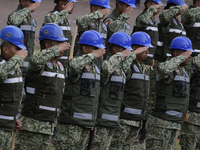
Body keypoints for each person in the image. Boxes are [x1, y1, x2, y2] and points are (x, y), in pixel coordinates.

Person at [14, 23, 70, 150]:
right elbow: (35, 59)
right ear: (47, 45)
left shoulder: (60, 67)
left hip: (48, 127)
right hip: (32, 126)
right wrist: (57, 49)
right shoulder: (39, 63)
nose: (62, 47)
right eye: (58, 44)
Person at [144, 0, 189, 138]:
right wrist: (177, 8)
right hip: (162, 62)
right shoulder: (167, 19)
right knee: (152, 96)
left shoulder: (179, 23)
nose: (183, 8)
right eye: (180, 6)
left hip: (174, 64)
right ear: (173, 7)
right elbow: (163, 16)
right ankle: (144, 128)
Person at [55, 30, 105, 150]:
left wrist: (93, 121)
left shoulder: (94, 68)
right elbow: (74, 65)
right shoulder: (76, 63)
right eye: (95, 49)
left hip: (86, 124)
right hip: (71, 124)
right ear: (85, 48)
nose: (99, 52)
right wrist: (93, 55)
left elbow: (94, 98)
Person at [145, 36, 193, 150]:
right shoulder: (166, 67)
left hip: (174, 124)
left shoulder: (183, 72)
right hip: (161, 123)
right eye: (187, 53)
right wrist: (182, 57)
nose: (189, 57)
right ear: (176, 53)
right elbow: (164, 69)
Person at [0, 25, 27, 150]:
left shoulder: (14, 68)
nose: (21, 53)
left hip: (8, 127)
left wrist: (14, 118)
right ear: (5, 49)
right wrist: (17, 59)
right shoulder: (3, 66)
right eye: (17, 49)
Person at [7, 0, 41, 75]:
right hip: (16, 64)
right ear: (22, 2)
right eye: (32, 2)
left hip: (28, 65)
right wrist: (28, 8)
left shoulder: (32, 21)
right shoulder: (15, 15)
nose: (35, 4)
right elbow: (14, 21)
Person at [74, 0, 111, 68]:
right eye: (103, 8)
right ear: (93, 8)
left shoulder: (103, 26)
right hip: (83, 62)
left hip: (97, 64)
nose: (106, 11)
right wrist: (99, 13)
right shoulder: (87, 22)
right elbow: (79, 21)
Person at [43, 0, 77, 68]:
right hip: (52, 64)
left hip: (63, 64)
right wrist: (65, 11)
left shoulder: (64, 19)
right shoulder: (53, 15)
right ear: (61, 3)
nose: (73, 5)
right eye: (70, 3)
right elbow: (49, 22)